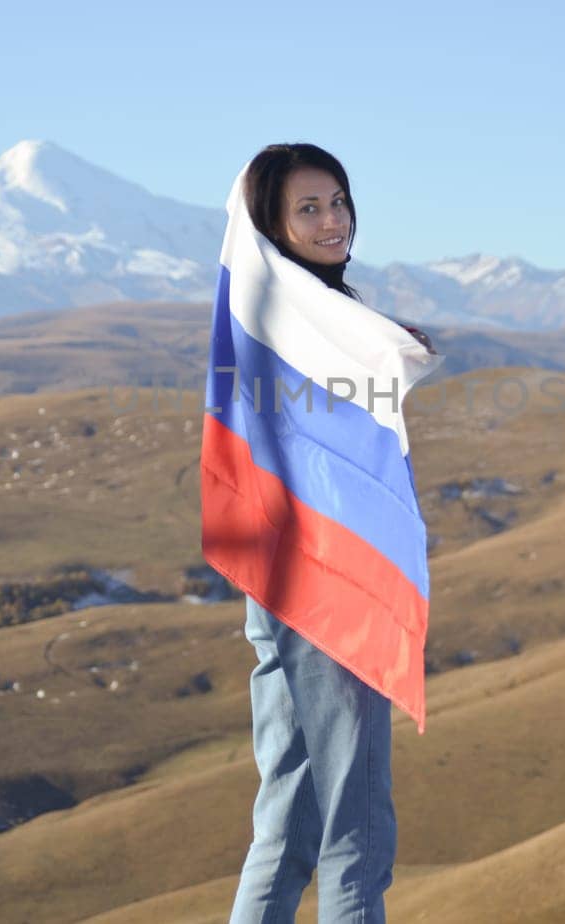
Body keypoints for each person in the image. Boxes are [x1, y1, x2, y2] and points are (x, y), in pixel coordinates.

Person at [227, 142, 434, 924]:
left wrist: (380, 346)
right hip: (328, 588)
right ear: (272, 226)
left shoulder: (270, 314)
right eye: (307, 208)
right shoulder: (307, 322)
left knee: (290, 818)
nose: (332, 220)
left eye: (338, 201)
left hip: (276, 584)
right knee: (356, 826)